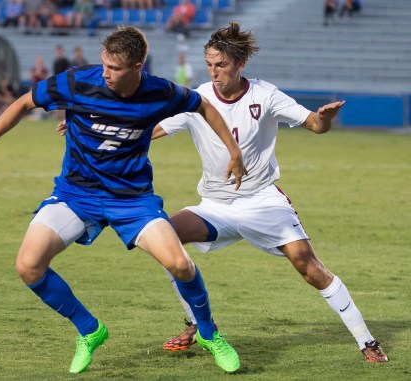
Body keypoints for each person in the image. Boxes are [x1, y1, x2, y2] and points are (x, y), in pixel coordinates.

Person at [0, 26, 245, 374]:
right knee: (28, 265)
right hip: (77, 194)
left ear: (137, 67)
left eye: (115, 69)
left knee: (181, 265)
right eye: (104, 65)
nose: (106, 74)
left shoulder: (160, 92)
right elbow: (24, 102)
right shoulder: (78, 81)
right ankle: (89, 330)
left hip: (132, 199)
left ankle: (208, 333)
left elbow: (202, 105)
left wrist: (233, 151)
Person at [150, 22, 388, 363]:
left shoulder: (266, 95)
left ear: (239, 64)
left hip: (262, 200)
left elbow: (315, 125)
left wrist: (325, 119)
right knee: (164, 239)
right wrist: (100, 132)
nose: (214, 72)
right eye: (210, 65)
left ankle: (367, 342)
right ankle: (199, 324)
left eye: (222, 65)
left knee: (309, 267)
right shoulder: (197, 98)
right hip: (216, 205)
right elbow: (152, 130)